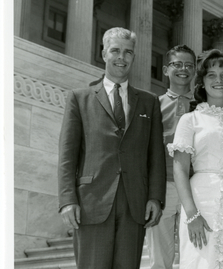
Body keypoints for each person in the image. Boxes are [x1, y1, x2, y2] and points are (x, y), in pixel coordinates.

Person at [58, 27, 166, 268]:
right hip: (91, 201)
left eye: (128, 52)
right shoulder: (79, 97)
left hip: (134, 204)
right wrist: (67, 200)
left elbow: (155, 156)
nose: (121, 57)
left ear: (134, 57)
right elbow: (67, 155)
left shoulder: (149, 102)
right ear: (104, 52)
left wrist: (156, 198)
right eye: (115, 50)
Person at [168, 49, 223, 269]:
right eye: (211, 75)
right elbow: (180, 170)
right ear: (202, 82)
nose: (218, 80)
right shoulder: (189, 119)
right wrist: (192, 215)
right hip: (200, 202)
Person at [145, 45, 196, 269]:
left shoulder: (202, 106)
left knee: (195, 251)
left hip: (194, 187)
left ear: (195, 71)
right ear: (166, 70)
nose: (183, 69)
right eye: (177, 64)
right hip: (163, 187)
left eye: (189, 65)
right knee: (160, 257)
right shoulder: (154, 105)